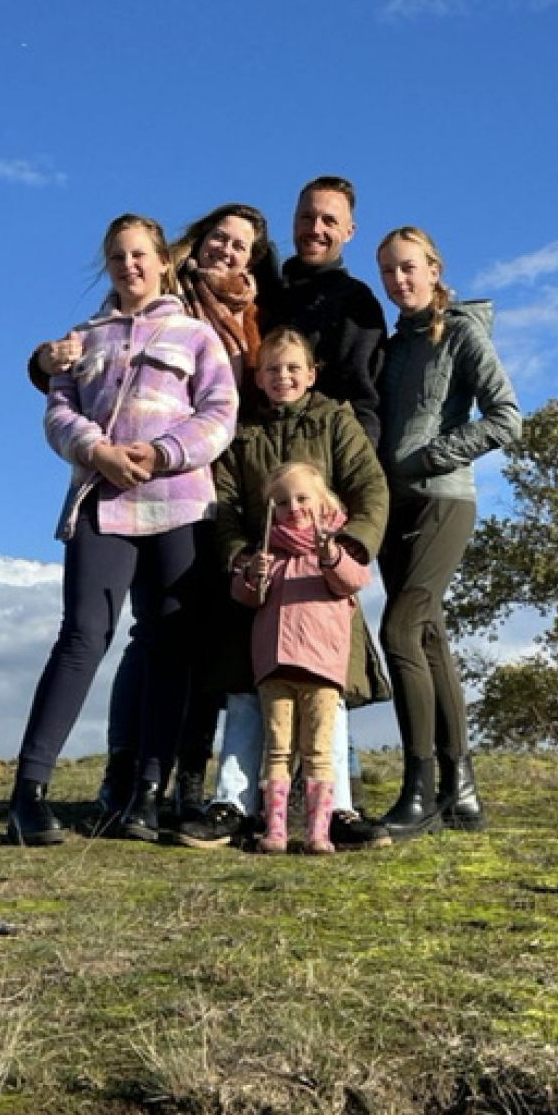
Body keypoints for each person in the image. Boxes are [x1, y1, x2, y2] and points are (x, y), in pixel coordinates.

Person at [30, 204, 274, 834]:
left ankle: (144, 794)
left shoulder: (196, 336)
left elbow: (220, 413)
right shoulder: (82, 339)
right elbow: (58, 413)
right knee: (82, 637)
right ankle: (29, 793)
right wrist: (98, 451)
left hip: (180, 504)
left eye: (141, 255)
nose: (129, 265)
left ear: (165, 262)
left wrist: (164, 452)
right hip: (101, 502)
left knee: (169, 643)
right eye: (117, 257)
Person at [175, 326, 391, 851]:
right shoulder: (239, 429)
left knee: (328, 698)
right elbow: (223, 505)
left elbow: (371, 488)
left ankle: (337, 808)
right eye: (272, 369)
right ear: (257, 376)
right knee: (246, 693)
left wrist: (349, 549)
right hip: (259, 584)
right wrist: (240, 559)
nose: (283, 377)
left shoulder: (336, 421)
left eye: (293, 368)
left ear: (312, 374)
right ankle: (232, 803)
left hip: (324, 588)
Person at [374, 226, 521, 841]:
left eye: (409, 267)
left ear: (434, 269)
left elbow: (506, 418)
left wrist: (432, 456)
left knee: (400, 629)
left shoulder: (459, 331)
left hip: (443, 502)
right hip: (392, 510)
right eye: (388, 272)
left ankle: (418, 789)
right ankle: (459, 792)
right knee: (429, 639)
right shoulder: (389, 346)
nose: (399, 280)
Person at [234, 462, 371, 854]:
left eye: (301, 498)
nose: (291, 507)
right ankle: (275, 831)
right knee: (277, 749)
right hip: (275, 667)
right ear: (270, 511)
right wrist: (251, 577)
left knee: (318, 751)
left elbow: (353, 582)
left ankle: (317, 832)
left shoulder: (337, 548)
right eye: (280, 502)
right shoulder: (267, 554)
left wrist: (329, 555)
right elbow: (247, 597)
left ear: (322, 501)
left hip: (323, 669)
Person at [265, 175, 388, 446]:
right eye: (306, 217)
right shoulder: (265, 295)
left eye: (329, 221)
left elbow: (364, 403)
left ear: (349, 231)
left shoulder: (357, 303)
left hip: (321, 462)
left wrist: (350, 477)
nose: (315, 229)